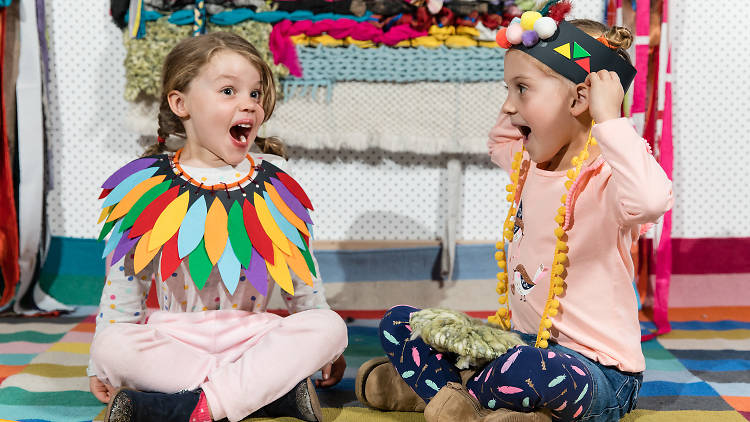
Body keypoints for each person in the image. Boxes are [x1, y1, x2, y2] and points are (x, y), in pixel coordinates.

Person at [357, 10, 672, 422]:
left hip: (597, 374)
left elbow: (651, 200)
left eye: (521, 89)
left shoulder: (610, 175)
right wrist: (524, 78)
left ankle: (443, 392)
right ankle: (468, 398)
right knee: (402, 323)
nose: (507, 105)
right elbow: (499, 138)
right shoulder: (527, 160)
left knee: (530, 368)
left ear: (581, 99)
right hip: (521, 345)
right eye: (507, 89)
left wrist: (610, 119)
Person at [88, 31, 348, 422]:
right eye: (229, 91)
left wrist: (329, 349)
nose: (248, 104)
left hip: (253, 338)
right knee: (111, 346)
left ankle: (194, 405)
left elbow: (301, 276)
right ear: (181, 103)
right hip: (175, 339)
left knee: (329, 327)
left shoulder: (276, 184)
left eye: (255, 94)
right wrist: (100, 362)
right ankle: (262, 396)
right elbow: (124, 286)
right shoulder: (144, 186)